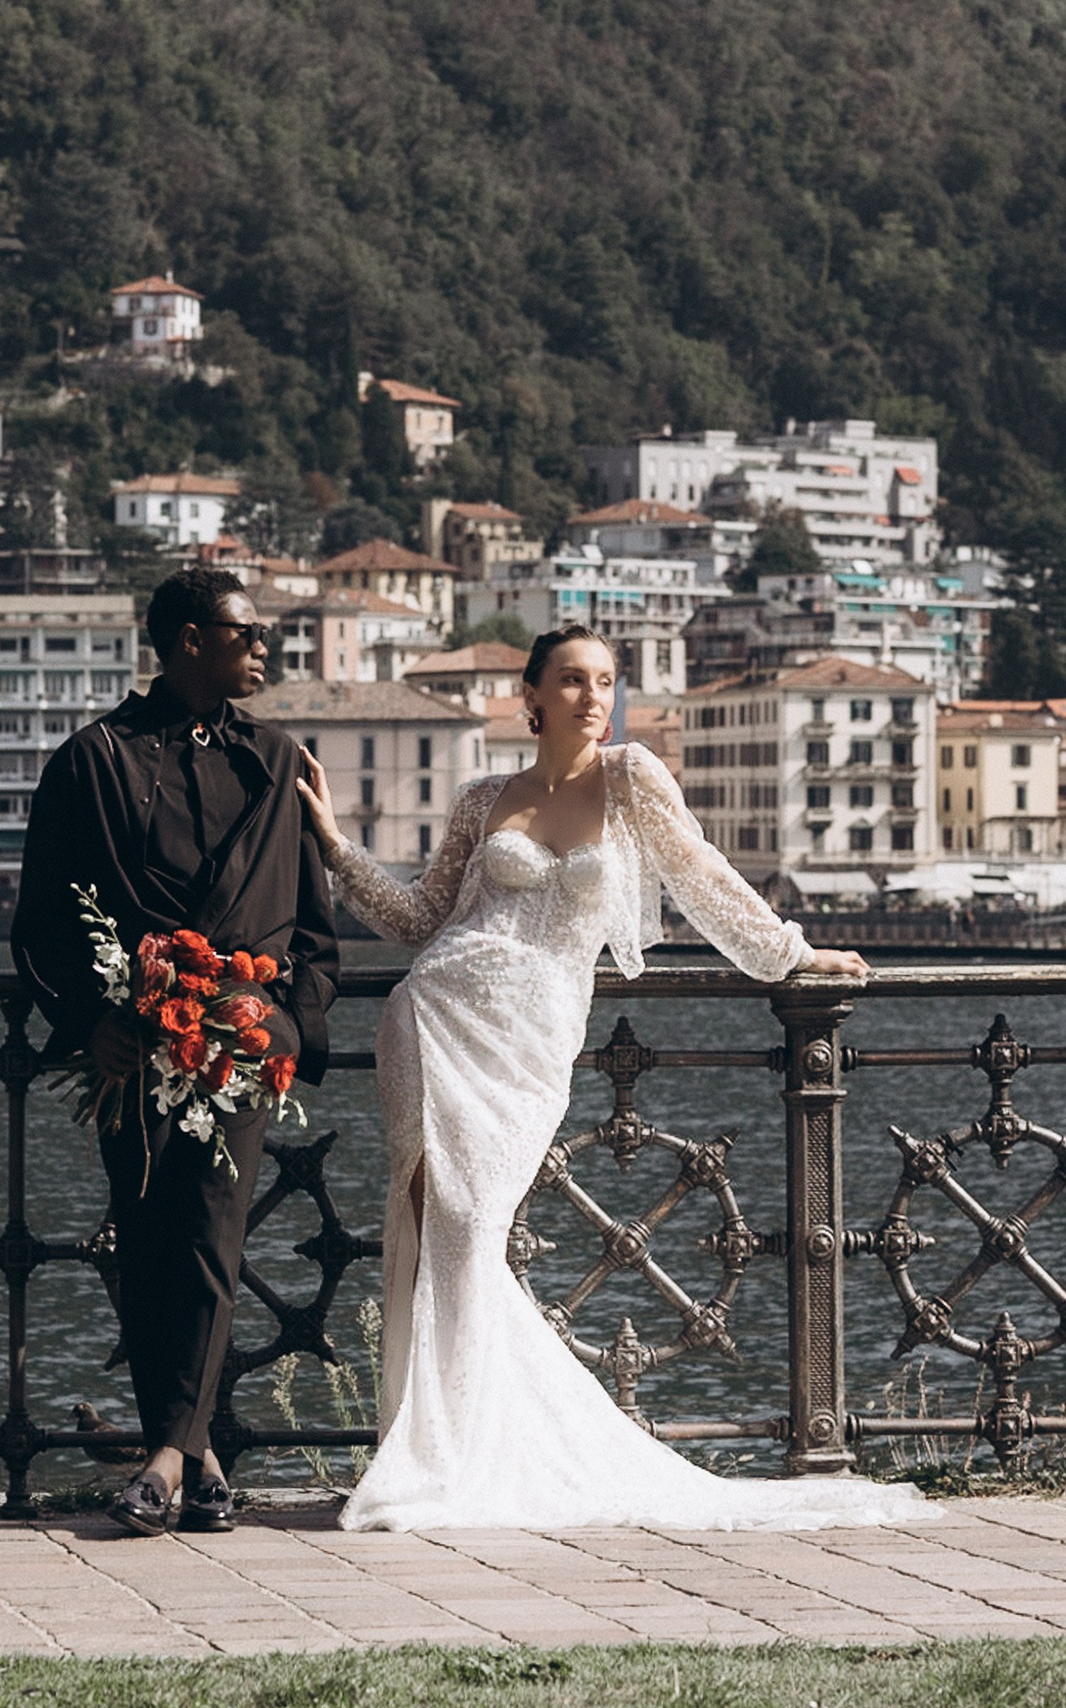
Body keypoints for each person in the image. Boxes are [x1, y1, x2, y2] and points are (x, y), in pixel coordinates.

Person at [295, 624, 916, 1534]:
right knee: (437, 1232)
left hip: (530, 1039)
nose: (595, 697)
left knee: (473, 1230)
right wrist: (338, 846)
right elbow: (421, 917)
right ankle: (437, 1453)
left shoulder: (631, 779)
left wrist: (793, 953)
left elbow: (702, 878)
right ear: (532, 695)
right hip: (432, 1018)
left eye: (607, 681)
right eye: (573, 680)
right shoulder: (480, 798)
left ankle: (471, 1452)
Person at [12, 564, 339, 1537]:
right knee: (148, 1238)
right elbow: (39, 925)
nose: (265, 650)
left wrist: (282, 1025)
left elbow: (315, 935)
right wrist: (90, 1021)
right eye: (248, 635)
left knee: (208, 1237)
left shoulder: (279, 762)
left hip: (240, 1049)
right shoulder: (90, 761)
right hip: (128, 1047)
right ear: (188, 639)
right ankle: (194, 1461)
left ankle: (163, 1456)